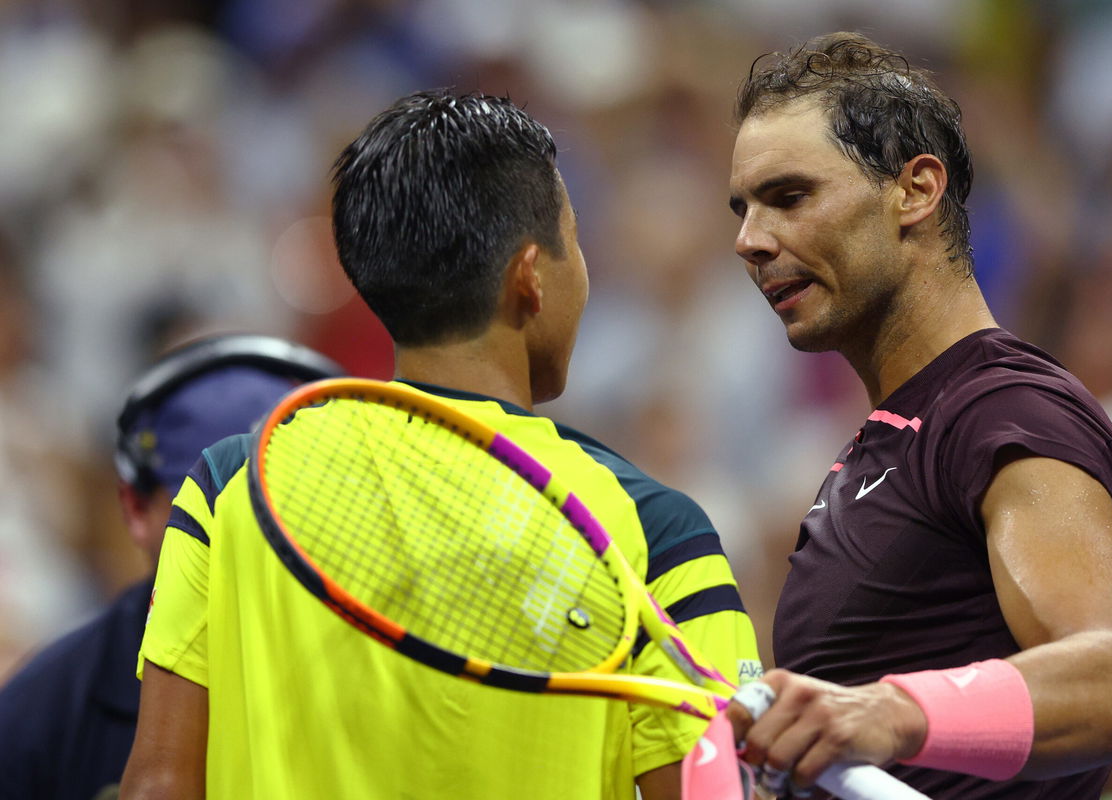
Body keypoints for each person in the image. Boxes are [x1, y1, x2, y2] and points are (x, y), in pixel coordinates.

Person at [119, 90, 761, 800]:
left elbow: (159, 785)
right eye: (574, 240)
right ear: (530, 276)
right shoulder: (656, 529)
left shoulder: (231, 483)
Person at [723, 32, 1112, 799]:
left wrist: (889, 712)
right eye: (744, 208)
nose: (749, 241)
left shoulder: (1006, 412)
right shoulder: (889, 440)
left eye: (789, 197)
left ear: (916, 190)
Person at [0, 333, 343, 800]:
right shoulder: (38, 718)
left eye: (279, 495)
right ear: (135, 509)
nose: (251, 528)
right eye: (204, 499)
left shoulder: (389, 671)